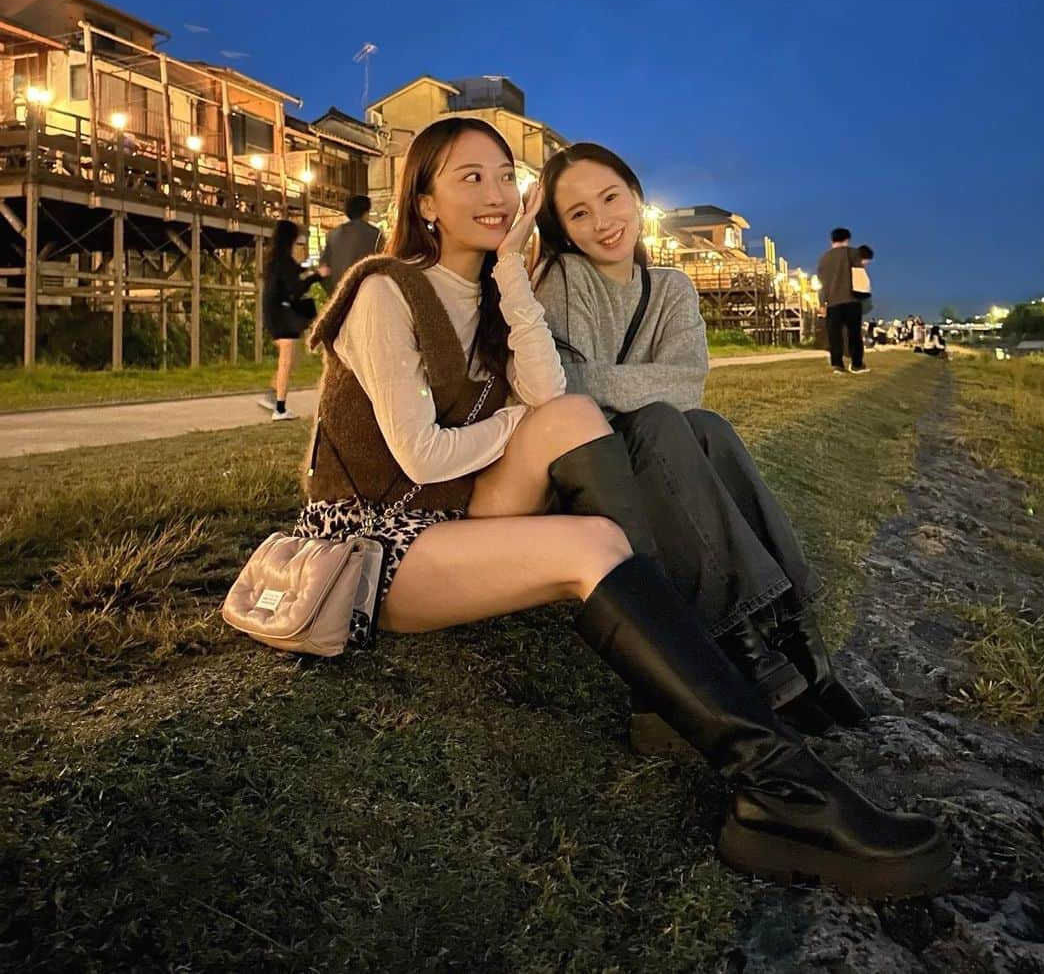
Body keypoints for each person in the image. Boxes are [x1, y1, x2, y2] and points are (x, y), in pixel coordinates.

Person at [281, 115, 951, 897]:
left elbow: (553, 396)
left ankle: (694, 687)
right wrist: (518, 424)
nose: (497, 193)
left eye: (506, 176)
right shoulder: (384, 289)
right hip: (375, 541)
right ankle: (776, 786)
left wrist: (510, 281)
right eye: (470, 178)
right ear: (423, 200)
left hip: (458, 516)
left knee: (577, 418)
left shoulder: (502, 293)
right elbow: (421, 456)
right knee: (590, 539)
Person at [532, 141, 867, 751]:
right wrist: (647, 389)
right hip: (596, 468)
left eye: (611, 198)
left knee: (704, 424)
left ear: (635, 197)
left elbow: (691, 381)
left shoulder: (673, 288)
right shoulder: (563, 277)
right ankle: (743, 641)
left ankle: (800, 640)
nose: (603, 221)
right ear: (561, 228)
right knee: (662, 417)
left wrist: (624, 384)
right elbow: (567, 388)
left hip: (662, 452)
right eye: (579, 213)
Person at [257, 219, 319, 421]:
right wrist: (315, 276)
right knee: (287, 360)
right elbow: (295, 290)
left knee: (290, 359)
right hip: (281, 314)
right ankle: (280, 409)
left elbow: (292, 275)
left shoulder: (277, 259)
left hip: (275, 312)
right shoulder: (284, 261)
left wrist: (307, 271)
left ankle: (272, 396)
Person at [816, 228, 869, 375]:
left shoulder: (823, 258)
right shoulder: (853, 253)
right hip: (851, 299)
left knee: (835, 336)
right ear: (847, 239)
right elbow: (860, 275)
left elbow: (822, 284)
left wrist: (822, 303)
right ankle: (857, 364)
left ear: (831, 240)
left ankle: (837, 365)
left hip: (832, 302)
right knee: (854, 334)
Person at [318, 193, 384, 295]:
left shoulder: (333, 234)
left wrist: (332, 292)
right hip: (366, 294)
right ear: (366, 212)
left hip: (339, 295)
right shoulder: (375, 234)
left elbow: (323, 266)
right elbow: (384, 264)